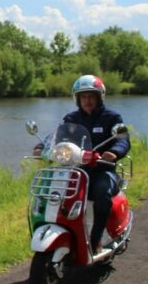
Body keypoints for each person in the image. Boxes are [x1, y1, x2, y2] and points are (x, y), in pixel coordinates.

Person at [34, 74, 130, 254]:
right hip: (74, 170)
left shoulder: (111, 117)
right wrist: (42, 147)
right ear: (77, 99)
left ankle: (96, 238)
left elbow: (123, 139)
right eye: (83, 97)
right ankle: (65, 230)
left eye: (91, 96)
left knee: (101, 193)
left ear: (99, 97)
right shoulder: (71, 118)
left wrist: (114, 152)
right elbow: (55, 135)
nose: (87, 100)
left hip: (102, 170)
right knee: (53, 192)